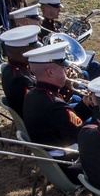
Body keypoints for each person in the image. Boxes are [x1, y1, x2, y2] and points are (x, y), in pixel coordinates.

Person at [22, 41, 91, 177]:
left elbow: (67, 122)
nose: (66, 72)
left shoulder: (34, 94)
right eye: (63, 68)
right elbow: (83, 136)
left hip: (54, 159)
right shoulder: (53, 103)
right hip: (67, 163)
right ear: (50, 72)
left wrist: (86, 105)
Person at [0, 25, 41, 117]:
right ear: (23, 54)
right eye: (34, 50)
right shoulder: (21, 78)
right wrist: (65, 89)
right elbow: (36, 108)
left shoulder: (11, 68)